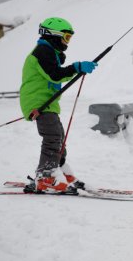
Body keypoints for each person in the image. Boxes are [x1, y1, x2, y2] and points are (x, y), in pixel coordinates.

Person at [19, 17, 98, 194]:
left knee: (58, 136)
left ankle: (60, 170)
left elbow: (57, 70)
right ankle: (46, 176)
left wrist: (76, 68)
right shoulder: (42, 51)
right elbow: (55, 74)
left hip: (47, 102)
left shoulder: (49, 52)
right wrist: (77, 67)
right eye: (66, 37)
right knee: (53, 136)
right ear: (53, 35)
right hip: (38, 102)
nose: (66, 42)